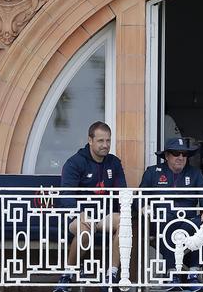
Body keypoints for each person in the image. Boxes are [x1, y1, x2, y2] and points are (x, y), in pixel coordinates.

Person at [54, 121, 127, 292]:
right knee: (85, 232)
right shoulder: (75, 162)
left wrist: (129, 210)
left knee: (125, 223)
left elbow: (122, 192)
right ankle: (67, 276)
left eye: (108, 141)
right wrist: (80, 213)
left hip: (104, 217)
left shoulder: (114, 163)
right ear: (90, 140)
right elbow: (66, 195)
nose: (105, 145)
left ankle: (111, 275)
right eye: (101, 141)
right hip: (79, 216)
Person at [140, 137, 203, 292]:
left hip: (187, 222)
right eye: (176, 153)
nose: (181, 157)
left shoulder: (194, 173)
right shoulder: (152, 172)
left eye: (184, 154)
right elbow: (139, 196)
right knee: (164, 221)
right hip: (162, 221)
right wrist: (144, 206)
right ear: (167, 156)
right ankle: (171, 273)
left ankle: (193, 273)